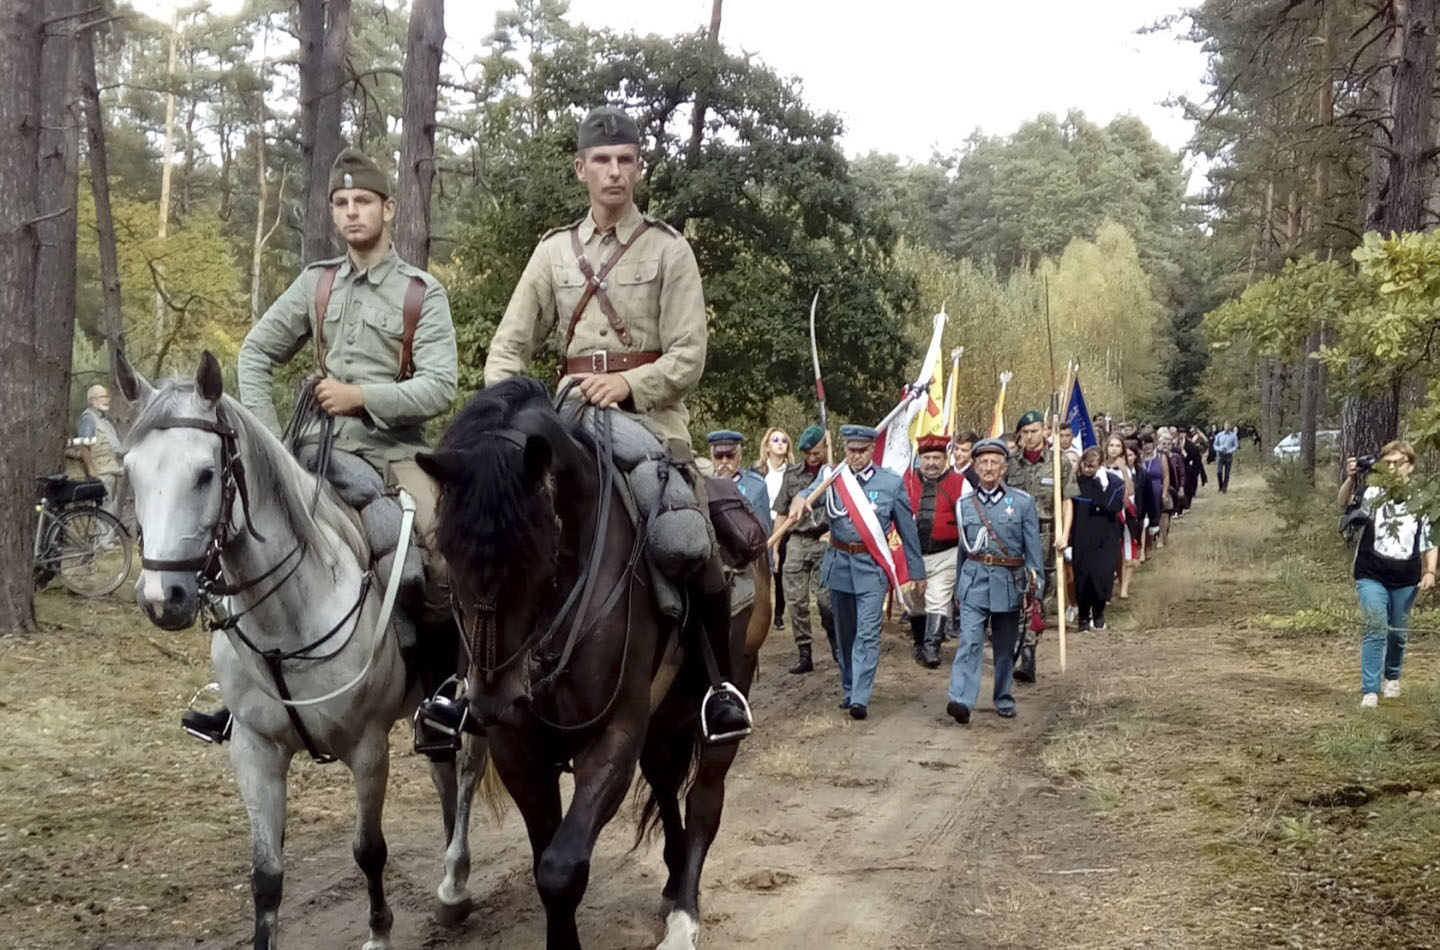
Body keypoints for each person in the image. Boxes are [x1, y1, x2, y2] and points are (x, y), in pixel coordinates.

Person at [483, 105, 748, 741]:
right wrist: (520, 411)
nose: (614, 172)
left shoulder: (668, 248)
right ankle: (477, 682)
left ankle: (717, 686)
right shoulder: (551, 253)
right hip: (567, 418)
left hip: (652, 425)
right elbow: (505, 350)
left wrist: (627, 383)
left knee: (687, 536)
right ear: (580, 170)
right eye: (601, 161)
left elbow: (689, 355)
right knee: (488, 529)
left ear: (639, 168)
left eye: (625, 160)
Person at [186, 148, 459, 748]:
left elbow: (442, 385)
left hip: (395, 457)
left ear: (388, 208)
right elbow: (255, 352)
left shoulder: (421, 293)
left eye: (363, 201)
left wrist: (362, 395)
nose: (351, 212)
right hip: (312, 451)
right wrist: (266, 447)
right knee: (243, 542)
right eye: (341, 203)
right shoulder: (318, 282)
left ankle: (443, 694)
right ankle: (239, 696)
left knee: (441, 556)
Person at [789, 425, 925, 720]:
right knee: (846, 633)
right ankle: (849, 686)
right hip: (839, 564)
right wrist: (801, 499)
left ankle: (860, 697)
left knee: (867, 633)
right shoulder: (833, 478)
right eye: (851, 450)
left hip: (871, 567)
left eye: (862, 451)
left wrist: (916, 570)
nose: (856, 456)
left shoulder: (890, 483)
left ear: (871, 450)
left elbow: (908, 530)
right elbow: (809, 493)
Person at [945, 438, 1044, 723]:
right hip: (974, 581)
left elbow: (1033, 552)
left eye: (994, 463)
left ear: (1004, 468)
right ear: (974, 467)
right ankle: (961, 699)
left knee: (1004, 647)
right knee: (969, 642)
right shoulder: (964, 505)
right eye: (983, 463)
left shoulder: (1022, 503)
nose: (988, 468)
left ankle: (1002, 696)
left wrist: (1035, 592)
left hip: (1008, 583)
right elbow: (964, 550)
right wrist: (958, 588)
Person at [1337, 443, 1437, 708]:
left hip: (1406, 576)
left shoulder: (1421, 499)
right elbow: (1344, 504)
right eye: (1387, 463)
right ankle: (1370, 689)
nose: (1392, 468)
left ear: (1411, 465)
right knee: (1375, 625)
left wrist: (1430, 570)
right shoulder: (1374, 493)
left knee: (1398, 632)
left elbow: (1429, 539)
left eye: (1398, 462)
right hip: (1371, 571)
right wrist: (1351, 478)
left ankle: (1392, 676)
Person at [1005, 409, 1075, 683]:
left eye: (1035, 431)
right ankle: (1018, 646)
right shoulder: (1009, 465)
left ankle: (1029, 647)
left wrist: (1065, 532)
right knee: (1014, 590)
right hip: (1013, 536)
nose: (1030, 436)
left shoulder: (1058, 463)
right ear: (1019, 436)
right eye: (1025, 432)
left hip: (1045, 532)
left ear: (1045, 431)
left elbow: (1067, 500)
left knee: (1040, 591)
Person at [770, 426, 835, 674]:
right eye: (807, 453)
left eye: (816, 453)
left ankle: (835, 643)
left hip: (826, 540)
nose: (811, 458)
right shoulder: (792, 475)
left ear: (825, 448)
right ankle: (804, 652)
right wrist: (776, 548)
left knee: (825, 600)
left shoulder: (835, 474)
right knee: (795, 601)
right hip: (797, 540)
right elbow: (782, 512)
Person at [903, 434, 967, 668]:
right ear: (919, 459)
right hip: (913, 555)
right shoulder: (907, 481)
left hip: (946, 554)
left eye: (936, 458)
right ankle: (919, 642)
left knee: (938, 598)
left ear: (945, 458)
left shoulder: (960, 482)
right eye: (927, 457)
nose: (931, 462)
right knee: (914, 601)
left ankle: (932, 648)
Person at [1068, 447, 1125, 631]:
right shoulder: (1076, 483)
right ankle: (1083, 618)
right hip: (1082, 536)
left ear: (1100, 466)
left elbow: (1113, 506)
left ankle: (1099, 613)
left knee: (1102, 576)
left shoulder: (1113, 483)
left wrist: (1102, 485)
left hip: (1106, 537)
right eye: (1085, 465)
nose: (1087, 470)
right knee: (1083, 578)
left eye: (1092, 466)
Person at [755, 427, 793, 631]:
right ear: (767, 446)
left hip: (784, 527)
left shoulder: (792, 473)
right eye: (775, 440)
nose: (780, 443)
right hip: (761, 525)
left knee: (779, 570)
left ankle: (778, 613)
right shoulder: (757, 472)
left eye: (784, 440)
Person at [76, 384, 126, 529]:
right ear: (92, 400)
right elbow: (84, 446)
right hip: (101, 473)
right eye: (103, 397)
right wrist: (91, 471)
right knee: (103, 509)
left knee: (110, 508)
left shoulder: (103, 420)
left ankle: (107, 541)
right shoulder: (88, 419)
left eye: (107, 396)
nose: (107, 400)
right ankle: (103, 545)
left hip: (111, 471)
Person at [709, 430, 772, 537]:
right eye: (719, 456)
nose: (724, 461)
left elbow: (765, 532)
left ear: (740, 455)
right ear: (711, 457)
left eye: (730, 456)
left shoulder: (756, 487)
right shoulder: (703, 486)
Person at [1103, 433, 1138, 598]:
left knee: (1126, 549)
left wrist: (1123, 469)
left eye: (1117, 446)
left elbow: (1130, 490)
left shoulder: (1125, 468)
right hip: (1103, 514)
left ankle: (1124, 588)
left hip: (1122, 513)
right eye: (1111, 446)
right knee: (1110, 552)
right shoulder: (1101, 466)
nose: (1114, 449)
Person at [1140, 433, 1171, 549]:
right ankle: (1147, 540)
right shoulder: (1139, 458)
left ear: (1153, 443)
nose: (1146, 446)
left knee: (1159, 514)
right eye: (1143, 444)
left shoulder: (1160, 457)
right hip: (1143, 490)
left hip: (1157, 489)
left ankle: (1160, 538)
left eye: (1148, 443)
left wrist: (1164, 492)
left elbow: (1166, 476)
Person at [1213, 423, 1238, 493]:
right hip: (1220, 455)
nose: (1226, 427)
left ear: (1230, 427)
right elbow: (1215, 445)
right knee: (1219, 472)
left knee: (1227, 473)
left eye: (1228, 426)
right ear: (1223, 427)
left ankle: (1225, 487)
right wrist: (1219, 449)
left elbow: (1235, 446)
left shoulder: (1233, 436)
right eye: (1225, 426)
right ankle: (1220, 485)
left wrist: (1229, 451)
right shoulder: (1219, 435)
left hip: (1228, 456)